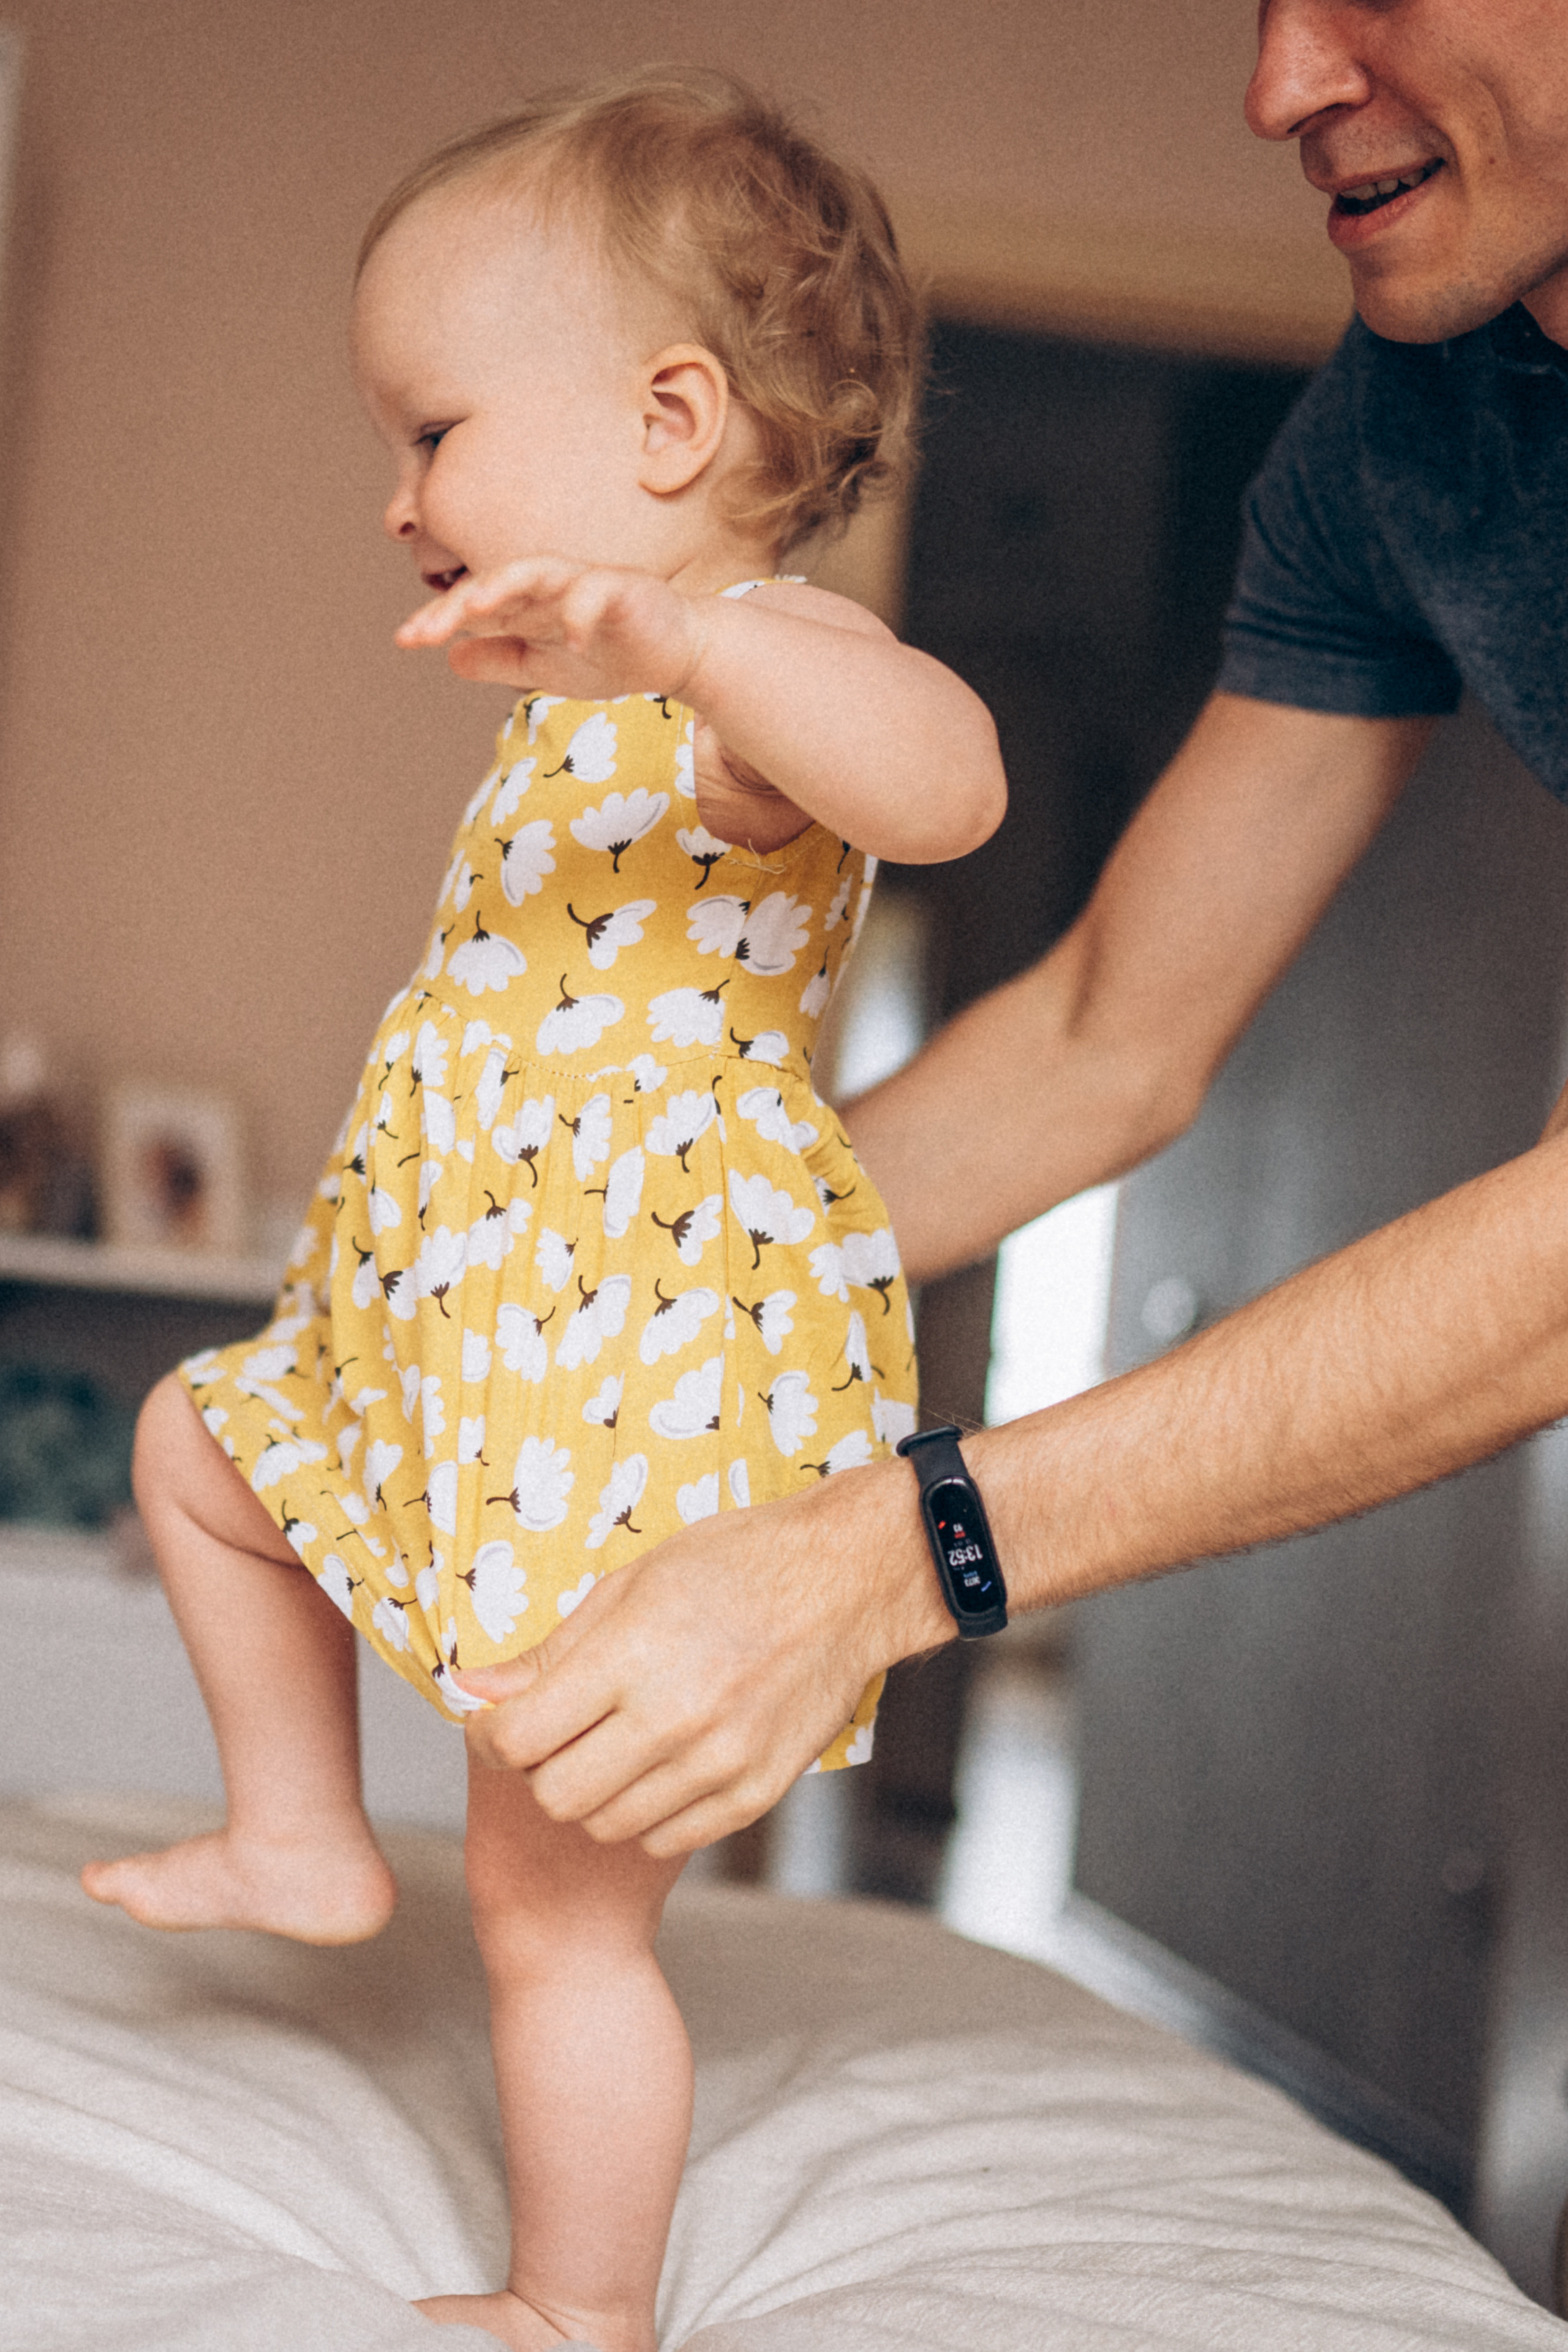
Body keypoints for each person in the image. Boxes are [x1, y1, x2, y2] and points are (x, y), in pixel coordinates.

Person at [77, 69, 1006, 2352]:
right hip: (468, 1328)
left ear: (672, 420)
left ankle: (583, 2307)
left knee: (553, 1907)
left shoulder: (766, 673)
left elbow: (951, 789)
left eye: (432, 431)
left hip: (632, 1375)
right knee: (198, 1449)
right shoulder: (596, 701)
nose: (397, 495)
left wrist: (693, 650)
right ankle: (300, 1832)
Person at [445, 0, 1568, 1862]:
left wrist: (892, 1551)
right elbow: (1105, 1036)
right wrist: (595, 1280)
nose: (1279, 86)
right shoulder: (1404, 427)